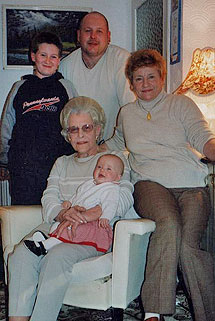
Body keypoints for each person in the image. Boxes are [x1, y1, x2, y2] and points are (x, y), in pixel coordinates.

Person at [102, 49, 215, 321]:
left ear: (162, 77)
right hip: (149, 183)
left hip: (191, 185)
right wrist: (86, 149)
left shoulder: (181, 104)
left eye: (151, 77)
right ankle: (154, 312)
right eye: (139, 79)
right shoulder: (127, 113)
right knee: (167, 224)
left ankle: (211, 316)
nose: (146, 84)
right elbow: (116, 143)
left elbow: (203, 136)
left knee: (189, 246)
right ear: (131, 82)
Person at [7, 96, 135, 321]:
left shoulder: (112, 160)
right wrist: (62, 212)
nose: (80, 135)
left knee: (56, 256)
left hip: (90, 233)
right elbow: (49, 197)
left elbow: (124, 197)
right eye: (73, 130)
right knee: (21, 255)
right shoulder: (62, 162)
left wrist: (87, 214)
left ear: (97, 129)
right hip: (57, 225)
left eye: (86, 128)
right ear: (67, 135)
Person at [0, 31, 78, 205]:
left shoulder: (66, 87)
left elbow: (76, 122)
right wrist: (4, 161)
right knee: (24, 215)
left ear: (59, 60)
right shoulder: (19, 87)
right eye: (43, 55)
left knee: (55, 215)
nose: (48, 61)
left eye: (53, 56)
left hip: (58, 166)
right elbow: (7, 125)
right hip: (23, 168)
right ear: (33, 56)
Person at [24, 154, 130, 255]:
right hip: (77, 217)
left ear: (117, 178)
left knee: (72, 229)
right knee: (58, 226)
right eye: (99, 167)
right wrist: (69, 203)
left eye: (108, 169)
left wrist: (105, 216)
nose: (102, 170)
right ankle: (48, 241)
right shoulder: (89, 184)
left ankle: (45, 245)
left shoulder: (111, 188)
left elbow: (111, 203)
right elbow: (78, 196)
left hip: (94, 224)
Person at [59, 11, 135, 140]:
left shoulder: (123, 60)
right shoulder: (65, 66)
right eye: (88, 31)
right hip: (78, 149)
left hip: (114, 148)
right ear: (78, 35)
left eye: (99, 31)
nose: (93, 36)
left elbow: (131, 110)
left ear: (108, 36)